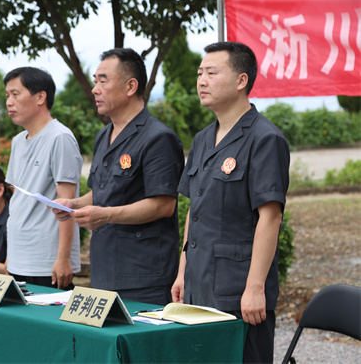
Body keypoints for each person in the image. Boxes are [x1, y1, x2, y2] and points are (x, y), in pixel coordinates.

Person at [171, 42, 290, 363]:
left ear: (241, 81)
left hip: (237, 293)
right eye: (199, 73)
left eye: (211, 72)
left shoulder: (265, 139)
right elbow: (194, 210)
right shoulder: (201, 139)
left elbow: (271, 217)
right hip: (198, 286)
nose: (201, 81)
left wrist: (255, 288)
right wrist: (183, 273)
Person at [53, 48, 184, 305]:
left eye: (103, 80)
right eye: (94, 81)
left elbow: (163, 205)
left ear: (130, 86)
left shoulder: (158, 138)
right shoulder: (104, 135)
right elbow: (103, 191)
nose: (95, 89)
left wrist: (106, 214)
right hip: (104, 268)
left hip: (143, 275)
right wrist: (74, 205)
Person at [4, 66, 82, 290]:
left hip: (46, 262)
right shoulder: (18, 141)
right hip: (19, 257)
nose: (9, 102)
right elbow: (17, 199)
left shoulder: (60, 137)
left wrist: (63, 259)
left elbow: (66, 205)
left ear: (40, 97)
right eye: (7, 96)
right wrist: (11, 255)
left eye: (15, 94)